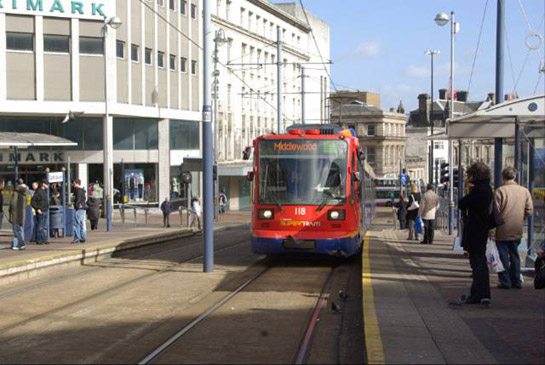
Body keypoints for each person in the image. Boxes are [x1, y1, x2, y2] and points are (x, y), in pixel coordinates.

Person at [458, 162, 493, 305]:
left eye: (470, 174)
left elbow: (462, 203)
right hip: (482, 229)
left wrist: (469, 191)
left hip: (476, 229)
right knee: (479, 263)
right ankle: (478, 293)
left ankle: (480, 294)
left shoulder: (479, 190)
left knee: (477, 264)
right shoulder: (487, 188)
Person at [494, 167, 533, 289]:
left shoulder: (500, 191)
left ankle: (505, 281)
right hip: (517, 228)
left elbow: (496, 211)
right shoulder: (524, 191)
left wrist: (495, 226)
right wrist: (521, 218)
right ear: (515, 177)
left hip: (502, 229)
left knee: (503, 256)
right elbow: (529, 210)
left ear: (503, 177)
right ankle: (516, 280)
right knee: (515, 255)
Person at [8, 180, 29, 250]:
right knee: (21, 229)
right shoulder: (25, 192)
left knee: (16, 229)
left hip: (16, 214)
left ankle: (19, 244)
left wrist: (10, 211)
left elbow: (13, 204)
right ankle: (20, 244)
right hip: (22, 214)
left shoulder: (16, 193)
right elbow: (26, 204)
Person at [31, 180, 50, 245]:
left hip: (45, 210)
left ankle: (44, 239)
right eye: (46, 184)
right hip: (41, 211)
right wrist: (37, 208)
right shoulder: (38, 191)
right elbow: (33, 201)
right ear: (43, 184)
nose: (48, 185)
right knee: (40, 226)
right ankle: (39, 240)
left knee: (44, 226)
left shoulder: (44, 191)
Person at [72, 179, 87, 243]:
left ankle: (76, 238)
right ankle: (83, 237)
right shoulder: (82, 190)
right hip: (83, 208)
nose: (73, 184)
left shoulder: (78, 191)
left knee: (76, 223)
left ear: (76, 183)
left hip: (79, 208)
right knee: (81, 223)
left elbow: (78, 199)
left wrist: (76, 206)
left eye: (74, 183)